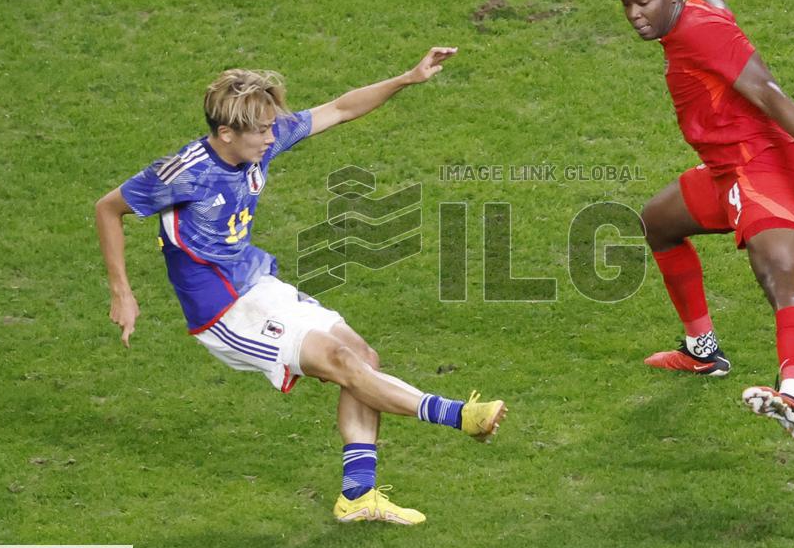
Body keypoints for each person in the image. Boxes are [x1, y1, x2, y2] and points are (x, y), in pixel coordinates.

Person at [95, 47, 507, 524]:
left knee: (361, 356)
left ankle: (358, 496)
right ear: (226, 133)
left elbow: (339, 108)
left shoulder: (261, 137)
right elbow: (109, 208)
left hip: (257, 281)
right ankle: (456, 415)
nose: (273, 138)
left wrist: (407, 78)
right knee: (338, 362)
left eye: (273, 127)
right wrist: (123, 292)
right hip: (221, 308)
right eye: (262, 131)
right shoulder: (184, 173)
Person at [618, 0, 794, 438]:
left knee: (781, 280)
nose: (635, 14)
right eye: (627, 5)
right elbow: (724, 36)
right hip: (724, 169)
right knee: (657, 221)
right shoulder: (694, 18)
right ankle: (702, 352)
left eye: (644, 2)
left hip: (760, 169)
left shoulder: (696, 29)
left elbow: (770, 92)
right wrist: (715, 1)